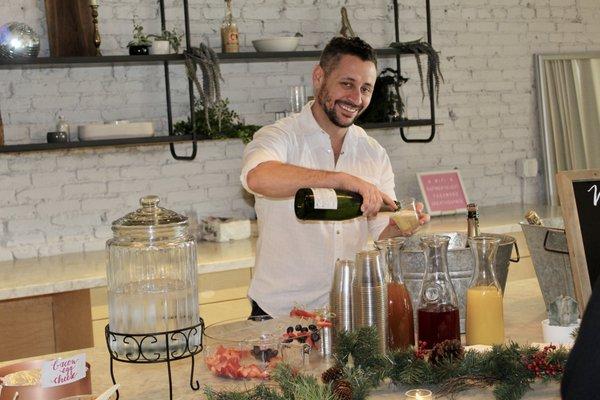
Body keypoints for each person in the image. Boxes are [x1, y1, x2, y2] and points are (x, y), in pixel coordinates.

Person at [240, 36, 429, 319]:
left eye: (365, 88)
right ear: (319, 78)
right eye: (347, 84)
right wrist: (340, 179)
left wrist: (401, 226)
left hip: (348, 312)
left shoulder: (373, 153)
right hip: (280, 315)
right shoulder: (279, 136)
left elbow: (380, 232)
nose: (356, 98)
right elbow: (258, 178)